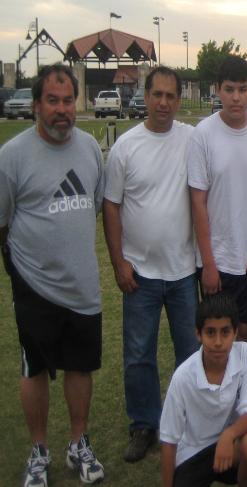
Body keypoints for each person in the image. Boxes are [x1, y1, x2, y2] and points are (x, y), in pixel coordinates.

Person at [0, 64, 105, 486]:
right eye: (53, 101)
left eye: (68, 101)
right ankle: (39, 452)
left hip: (82, 286)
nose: (62, 110)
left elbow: (93, 205)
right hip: (35, 286)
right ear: (36, 105)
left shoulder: (90, 148)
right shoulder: (12, 156)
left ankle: (79, 443)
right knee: (35, 369)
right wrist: (21, 272)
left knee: (81, 368)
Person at [103, 66, 199, 462]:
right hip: (139, 274)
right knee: (139, 355)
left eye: (170, 96)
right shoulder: (126, 147)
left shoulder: (192, 139)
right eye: (156, 94)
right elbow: (111, 206)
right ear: (145, 97)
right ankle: (144, 424)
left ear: (178, 100)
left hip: (183, 271)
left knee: (189, 353)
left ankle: (186, 422)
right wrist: (118, 263)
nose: (163, 102)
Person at [188, 55, 247, 358]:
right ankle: (219, 389)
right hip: (217, 257)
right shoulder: (203, 133)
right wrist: (208, 263)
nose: (236, 97)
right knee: (218, 334)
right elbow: (198, 202)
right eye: (229, 89)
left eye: (242, 89)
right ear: (217, 90)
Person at [159, 294, 247, 487]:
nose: (218, 342)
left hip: (232, 445)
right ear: (198, 334)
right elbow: (169, 440)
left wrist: (228, 435)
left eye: (225, 332)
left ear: (235, 332)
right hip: (195, 451)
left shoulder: (245, 353)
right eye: (210, 332)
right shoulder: (183, 377)